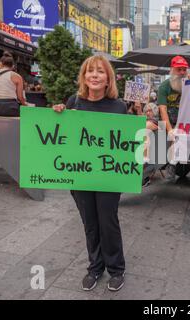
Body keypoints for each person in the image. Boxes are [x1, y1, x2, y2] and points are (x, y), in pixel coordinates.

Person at [52, 55, 127, 292]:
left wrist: (142, 128)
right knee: (90, 224)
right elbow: (63, 135)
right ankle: (95, 267)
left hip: (107, 176)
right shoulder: (74, 102)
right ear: (84, 77)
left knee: (108, 223)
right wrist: (59, 112)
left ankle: (116, 270)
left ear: (108, 79)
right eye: (90, 71)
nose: (94, 75)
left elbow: (122, 142)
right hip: (80, 175)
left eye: (100, 71)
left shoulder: (119, 106)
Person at [157, 55, 190, 180]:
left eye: (184, 70)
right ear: (172, 69)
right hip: (166, 121)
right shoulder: (164, 87)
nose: (182, 73)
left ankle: (174, 164)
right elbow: (162, 110)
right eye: (179, 69)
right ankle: (171, 164)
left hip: (183, 122)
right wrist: (169, 130)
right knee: (175, 135)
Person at [0, 52, 26, 116]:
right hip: (9, 108)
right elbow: (20, 97)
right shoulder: (17, 76)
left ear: (0, 64)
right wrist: (25, 105)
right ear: (13, 66)